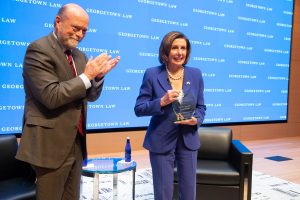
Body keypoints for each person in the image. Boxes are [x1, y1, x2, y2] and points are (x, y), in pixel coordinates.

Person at [16, 3, 120, 200]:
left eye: (84, 30)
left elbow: (89, 96)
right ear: (58, 22)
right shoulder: (38, 49)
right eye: (76, 28)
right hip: (49, 145)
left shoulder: (79, 56)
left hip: (76, 143)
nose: (80, 34)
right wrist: (87, 76)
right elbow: (51, 96)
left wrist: (97, 78)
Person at [134, 31, 206, 200]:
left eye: (183, 48)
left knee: (189, 194)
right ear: (165, 51)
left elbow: (201, 107)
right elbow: (139, 108)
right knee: (163, 193)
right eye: (175, 48)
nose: (180, 52)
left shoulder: (196, 74)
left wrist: (196, 119)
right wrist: (161, 102)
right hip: (161, 140)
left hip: (188, 139)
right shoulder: (152, 74)